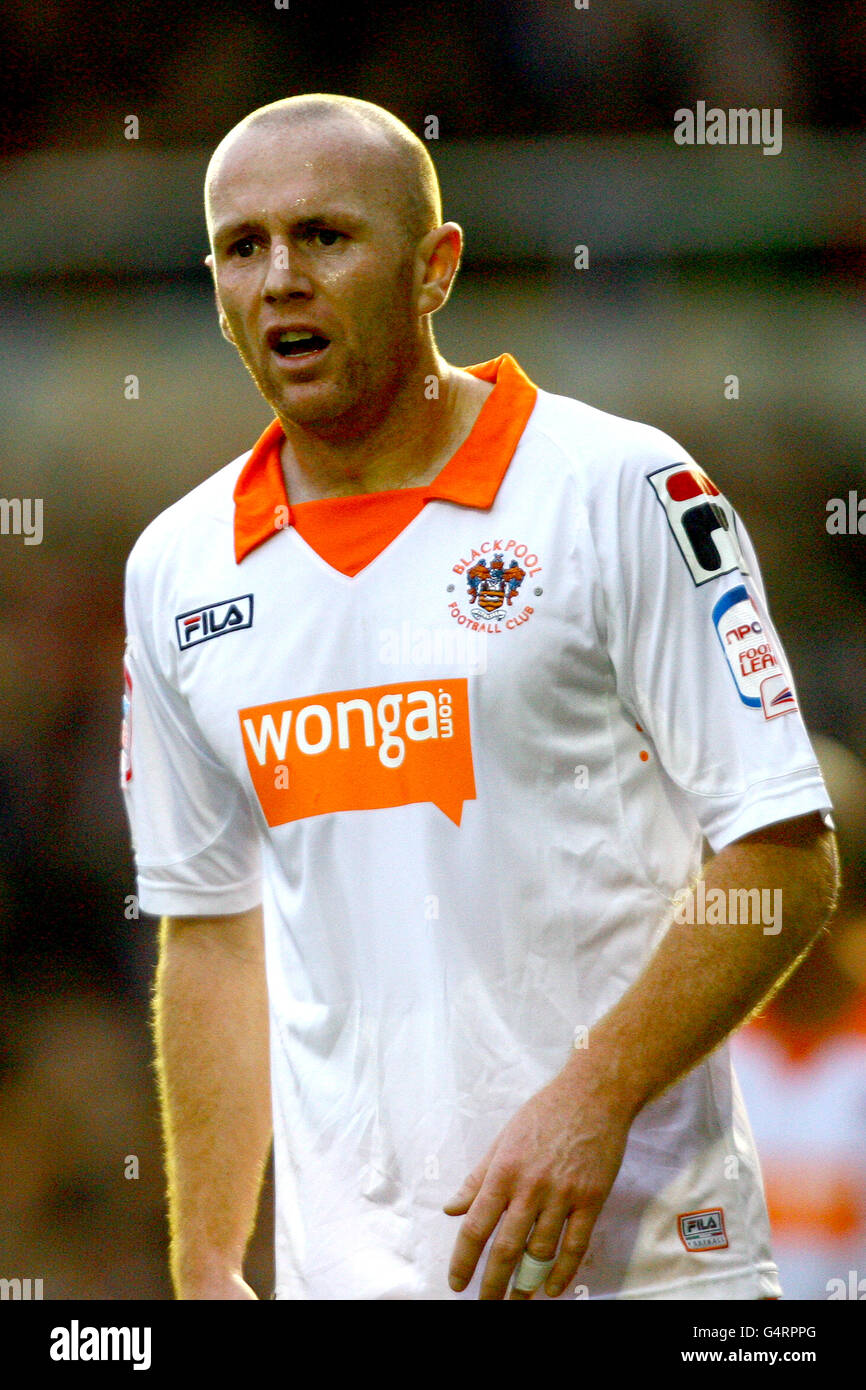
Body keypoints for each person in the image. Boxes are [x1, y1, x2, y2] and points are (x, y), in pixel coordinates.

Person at [121, 93, 839, 1301]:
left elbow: (782, 856)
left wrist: (593, 1093)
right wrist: (201, 1262)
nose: (280, 278)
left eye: (324, 236)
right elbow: (211, 930)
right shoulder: (178, 568)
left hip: (645, 1272)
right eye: (243, 248)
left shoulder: (618, 488)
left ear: (433, 268)